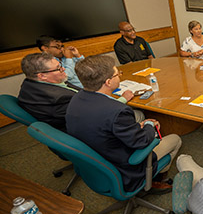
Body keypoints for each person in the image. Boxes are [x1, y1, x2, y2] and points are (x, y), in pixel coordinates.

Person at [66, 55, 182, 192]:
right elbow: (142, 141)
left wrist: (135, 127)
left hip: (98, 160)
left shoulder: (76, 98)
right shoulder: (117, 111)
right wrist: (150, 125)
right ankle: (153, 179)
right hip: (124, 168)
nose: (120, 76)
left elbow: (104, 127)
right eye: (117, 74)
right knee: (175, 139)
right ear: (108, 82)